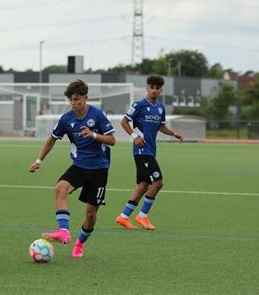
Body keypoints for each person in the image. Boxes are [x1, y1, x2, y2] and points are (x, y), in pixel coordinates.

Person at [29, 79, 116, 259]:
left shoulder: (97, 115)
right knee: (60, 189)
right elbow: (52, 139)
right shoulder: (66, 119)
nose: (73, 103)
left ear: (85, 98)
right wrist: (39, 160)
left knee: (91, 215)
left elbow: (112, 140)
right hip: (79, 166)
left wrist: (93, 134)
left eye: (76, 99)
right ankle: (64, 231)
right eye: (71, 100)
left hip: (99, 169)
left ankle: (80, 243)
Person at [115, 75, 183, 230]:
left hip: (151, 150)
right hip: (141, 150)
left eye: (157, 88)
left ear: (161, 90)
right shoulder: (138, 105)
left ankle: (123, 217)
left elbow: (161, 126)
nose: (154, 90)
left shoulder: (160, 107)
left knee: (144, 185)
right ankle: (142, 216)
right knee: (158, 182)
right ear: (147, 88)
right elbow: (124, 121)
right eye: (151, 87)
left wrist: (174, 134)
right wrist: (134, 136)